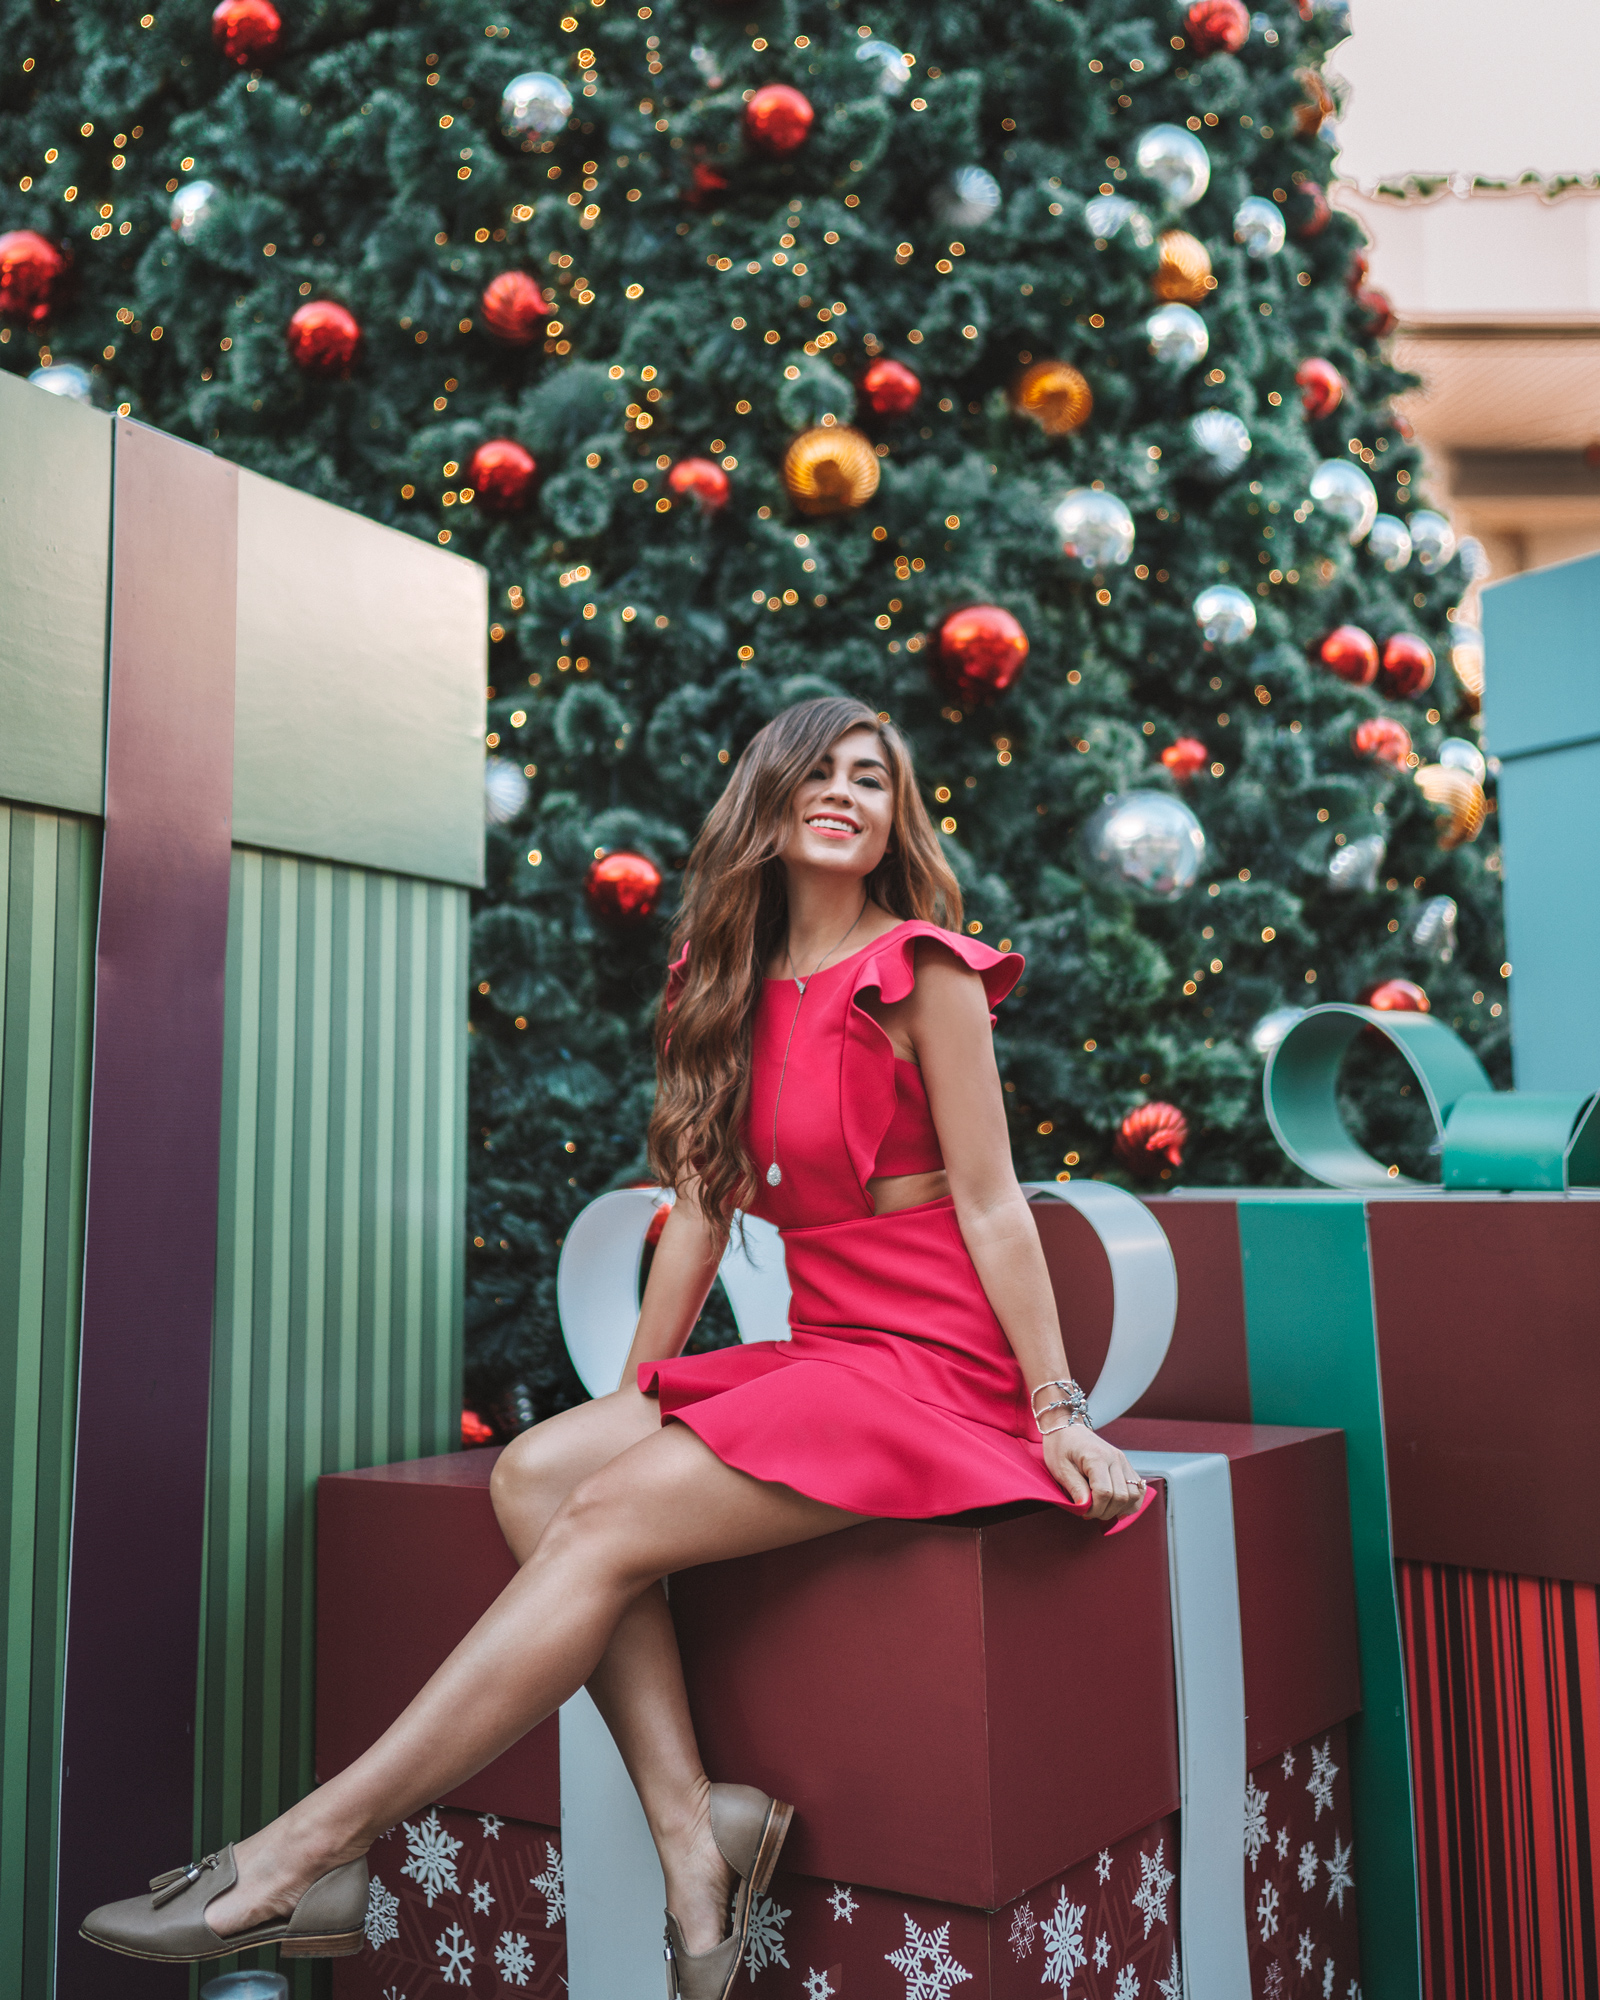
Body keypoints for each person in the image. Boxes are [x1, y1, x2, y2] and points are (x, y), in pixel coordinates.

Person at [81, 696, 1150, 1996]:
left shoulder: (923, 973)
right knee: (537, 1472)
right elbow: (699, 1209)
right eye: (820, 770)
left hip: (929, 1377)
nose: (848, 792)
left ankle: (311, 1848)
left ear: (894, 821)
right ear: (767, 794)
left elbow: (993, 1203)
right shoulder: (720, 978)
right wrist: (645, 1398)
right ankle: (695, 1827)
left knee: (595, 1526)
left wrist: (1055, 1408)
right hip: (825, 1356)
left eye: (874, 778)